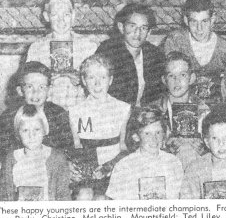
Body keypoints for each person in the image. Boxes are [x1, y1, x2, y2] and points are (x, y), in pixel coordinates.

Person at [26, 0, 97, 109]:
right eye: (54, 15)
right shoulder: (36, 48)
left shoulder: (89, 46)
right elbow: (28, 84)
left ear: (73, 15)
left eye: (66, 15)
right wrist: (44, 80)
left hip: (80, 107)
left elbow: (99, 84)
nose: (61, 20)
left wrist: (84, 80)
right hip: (48, 109)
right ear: (46, 16)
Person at [69, 54, 130, 182]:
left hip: (116, 171)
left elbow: (125, 148)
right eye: (91, 78)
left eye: (103, 77)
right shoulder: (74, 112)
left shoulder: (123, 109)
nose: (97, 84)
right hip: (87, 173)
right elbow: (77, 147)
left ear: (111, 80)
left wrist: (109, 167)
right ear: (84, 81)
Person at [163, 0, 226, 103]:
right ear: (186, 20)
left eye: (204, 21)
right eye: (194, 22)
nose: (199, 28)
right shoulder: (176, 41)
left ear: (213, 19)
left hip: (216, 108)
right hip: (182, 106)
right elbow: (167, 82)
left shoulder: (225, 47)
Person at [106, 106, 183, 200]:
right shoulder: (124, 166)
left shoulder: (173, 162)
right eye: (147, 134)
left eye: (158, 132)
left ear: (164, 134)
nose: (154, 139)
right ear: (136, 137)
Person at [96, 3, 165, 106]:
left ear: (149, 32)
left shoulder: (154, 54)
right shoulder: (108, 51)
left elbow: (160, 92)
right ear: (121, 27)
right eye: (132, 26)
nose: (137, 33)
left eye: (143, 28)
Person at [0, 62, 73, 158]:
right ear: (20, 91)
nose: (36, 92)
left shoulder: (58, 114)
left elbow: (67, 149)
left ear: (49, 91)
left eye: (41, 87)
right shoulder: (9, 117)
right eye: (30, 87)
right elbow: (5, 152)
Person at [0, 104, 71, 201]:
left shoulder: (57, 158)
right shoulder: (10, 159)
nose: (31, 136)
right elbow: (4, 197)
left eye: (36, 129)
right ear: (18, 133)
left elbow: (64, 197)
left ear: (44, 129)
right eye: (25, 130)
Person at [152, 51, 209, 169]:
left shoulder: (205, 111)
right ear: (164, 80)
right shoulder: (154, 111)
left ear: (192, 78)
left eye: (182, 75)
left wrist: (203, 147)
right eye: (171, 76)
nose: (176, 81)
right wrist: (166, 146)